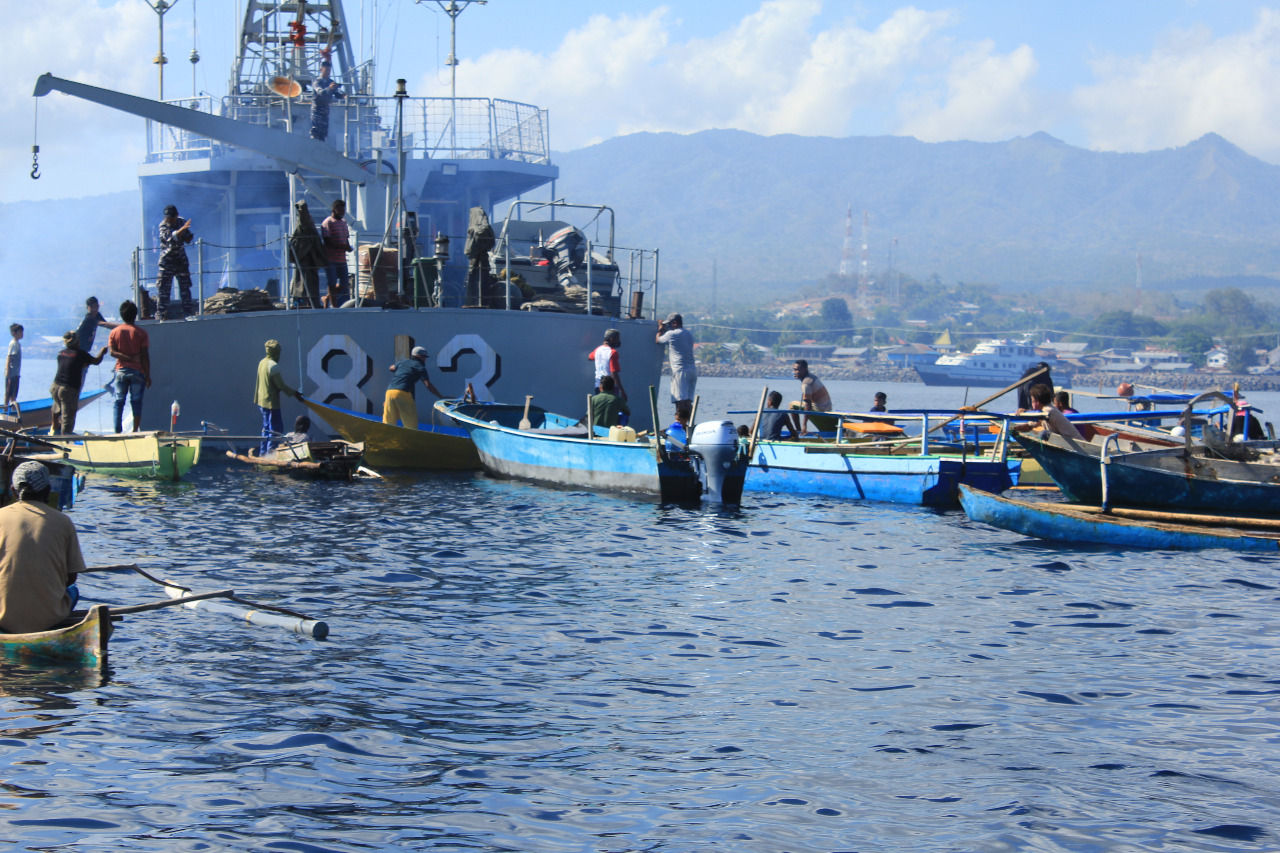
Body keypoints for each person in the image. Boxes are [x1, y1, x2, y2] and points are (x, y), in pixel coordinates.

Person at [0, 461, 86, 634]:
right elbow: (71, 578)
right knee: (73, 591)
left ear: (13, 490)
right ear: (47, 490)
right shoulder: (63, 522)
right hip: (49, 618)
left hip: (3, 618)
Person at [51, 331, 107, 434]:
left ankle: (54, 427)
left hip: (55, 387)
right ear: (76, 342)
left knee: (57, 407)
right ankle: (65, 440)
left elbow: (70, 364)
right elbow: (96, 361)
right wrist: (102, 352)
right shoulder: (81, 354)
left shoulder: (60, 353)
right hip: (68, 389)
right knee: (68, 416)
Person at [255, 339, 304, 456]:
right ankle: (270, 454)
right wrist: (295, 393)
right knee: (275, 430)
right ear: (276, 352)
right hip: (271, 403)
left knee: (266, 429)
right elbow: (281, 385)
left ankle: (263, 453)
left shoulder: (262, 362)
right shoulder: (273, 366)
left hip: (261, 402)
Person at [108, 301, 150, 433]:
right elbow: (144, 356)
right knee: (136, 401)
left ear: (121, 315)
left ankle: (117, 431)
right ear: (135, 315)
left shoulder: (114, 332)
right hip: (137, 372)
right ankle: (135, 430)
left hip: (120, 371)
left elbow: (112, 352)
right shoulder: (141, 333)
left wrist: (126, 358)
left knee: (119, 401)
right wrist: (148, 375)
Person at [383, 346, 443, 430]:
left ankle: (387, 439)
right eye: (424, 357)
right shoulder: (420, 367)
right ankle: (411, 439)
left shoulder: (403, 362)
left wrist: (397, 369)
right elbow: (428, 385)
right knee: (410, 424)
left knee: (389, 421)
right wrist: (441, 396)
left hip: (389, 392)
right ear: (420, 357)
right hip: (402, 393)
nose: (425, 360)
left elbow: (391, 367)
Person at [157, 204, 196, 320]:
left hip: (180, 260)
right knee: (164, 290)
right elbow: (171, 237)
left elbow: (187, 238)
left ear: (176, 216)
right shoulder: (163, 225)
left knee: (185, 288)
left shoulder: (181, 221)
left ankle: (187, 312)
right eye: (167, 217)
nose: (168, 220)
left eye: (171, 218)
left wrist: (186, 235)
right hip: (167, 261)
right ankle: (161, 315)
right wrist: (183, 229)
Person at [289, 201, 328, 309]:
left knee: (311, 283)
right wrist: (302, 207)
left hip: (311, 260)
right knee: (304, 284)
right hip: (304, 259)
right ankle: (305, 303)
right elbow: (303, 220)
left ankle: (312, 303)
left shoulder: (310, 228)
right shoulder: (303, 228)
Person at [656, 313, 697, 409]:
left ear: (674, 323)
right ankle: (689, 422)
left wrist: (660, 329)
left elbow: (658, 340)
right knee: (688, 400)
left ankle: (680, 422)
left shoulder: (671, 334)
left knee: (679, 400)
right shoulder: (689, 334)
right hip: (692, 370)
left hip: (680, 371)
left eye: (669, 324)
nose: (668, 327)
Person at [1017, 382, 1083, 440]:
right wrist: (1015, 429)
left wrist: (1025, 412)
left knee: (1044, 434)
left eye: (1032, 400)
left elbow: (1034, 421)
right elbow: (1030, 425)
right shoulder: (1047, 410)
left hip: (1074, 444)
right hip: (1067, 441)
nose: (1031, 403)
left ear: (1037, 402)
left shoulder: (1047, 411)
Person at [76, 297, 117, 386]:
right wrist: (123, 327)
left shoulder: (97, 315)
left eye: (97, 306)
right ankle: (75, 396)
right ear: (88, 308)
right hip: (78, 351)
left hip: (84, 351)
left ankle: (77, 395)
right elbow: (103, 324)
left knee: (82, 376)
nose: (95, 309)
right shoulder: (89, 318)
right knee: (79, 377)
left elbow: (107, 324)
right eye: (93, 307)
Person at [321, 199, 353, 307]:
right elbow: (327, 241)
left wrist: (348, 247)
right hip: (330, 259)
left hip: (342, 259)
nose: (343, 213)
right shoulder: (327, 222)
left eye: (343, 210)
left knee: (344, 283)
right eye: (341, 210)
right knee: (332, 282)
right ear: (334, 210)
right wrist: (343, 247)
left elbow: (345, 238)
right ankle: (334, 306)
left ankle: (327, 297)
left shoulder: (344, 222)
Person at [790, 359, 833, 435]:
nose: (794, 372)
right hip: (827, 407)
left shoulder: (806, 383)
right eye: (794, 370)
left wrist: (804, 425)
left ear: (804, 370)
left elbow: (808, 404)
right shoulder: (812, 377)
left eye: (797, 370)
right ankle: (800, 430)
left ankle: (799, 430)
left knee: (792, 405)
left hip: (819, 409)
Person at [310, 55, 344, 142]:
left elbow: (336, 94)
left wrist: (342, 95)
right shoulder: (317, 82)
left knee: (323, 132)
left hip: (325, 109)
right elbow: (320, 92)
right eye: (326, 70)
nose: (328, 72)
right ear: (321, 70)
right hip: (317, 110)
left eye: (329, 70)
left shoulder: (330, 82)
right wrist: (330, 88)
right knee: (316, 131)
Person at [588, 329, 626, 401]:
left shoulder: (598, 350)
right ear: (612, 340)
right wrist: (621, 390)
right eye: (617, 339)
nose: (618, 342)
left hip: (598, 385)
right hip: (609, 387)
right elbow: (614, 373)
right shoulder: (613, 352)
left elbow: (590, 357)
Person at [4, 323, 21, 411]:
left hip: (16, 374)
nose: (22, 334)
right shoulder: (13, 344)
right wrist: (7, 370)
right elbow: (9, 357)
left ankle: (13, 410)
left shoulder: (17, 343)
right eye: (20, 332)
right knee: (8, 393)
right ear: (14, 333)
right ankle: (5, 410)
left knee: (14, 393)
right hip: (11, 373)